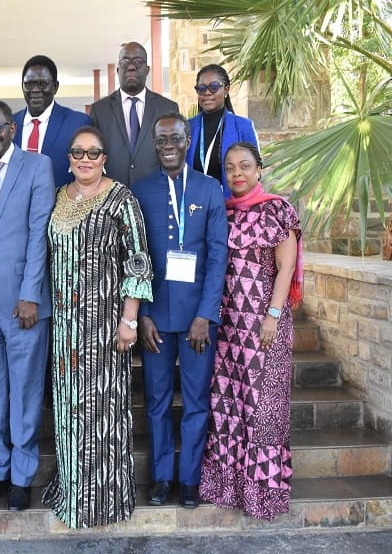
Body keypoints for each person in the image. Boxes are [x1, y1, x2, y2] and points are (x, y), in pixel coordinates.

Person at [42, 125, 153, 529]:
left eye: (93, 153)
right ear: (69, 158)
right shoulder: (59, 197)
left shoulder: (121, 198)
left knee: (102, 413)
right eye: (78, 153)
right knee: (69, 411)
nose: (85, 159)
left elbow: (138, 261)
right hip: (65, 330)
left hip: (105, 328)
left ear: (105, 158)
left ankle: (103, 501)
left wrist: (129, 319)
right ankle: (73, 493)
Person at [200, 141, 302, 520]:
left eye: (245, 166)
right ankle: (229, 486)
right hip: (228, 326)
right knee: (229, 405)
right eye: (230, 168)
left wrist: (273, 314)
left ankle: (263, 493)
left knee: (262, 409)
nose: (237, 174)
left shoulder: (277, 210)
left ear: (259, 169)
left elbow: (286, 267)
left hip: (264, 325)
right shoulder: (223, 212)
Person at [131, 112, 228, 510]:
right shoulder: (138, 191)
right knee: (155, 402)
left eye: (175, 138)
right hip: (156, 317)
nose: (168, 145)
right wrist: (143, 315)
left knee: (195, 401)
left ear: (188, 139)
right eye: (161, 140)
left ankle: (188, 479)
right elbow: (137, 257)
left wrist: (205, 314)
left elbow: (219, 255)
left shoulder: (209, 188)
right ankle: (161, 478)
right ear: (154, 145)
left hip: (197, 322)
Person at [0, 100, 55, 511]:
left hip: (23, 302)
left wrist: (30, 294)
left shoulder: (37, 167)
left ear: (12, 128)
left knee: (24, 390)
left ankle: (22, 475)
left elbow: (40, 234)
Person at [89, 41, 179, 186]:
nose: (131, 67)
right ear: (118, 70)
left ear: (147, 69)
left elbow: (176, 156)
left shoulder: (168, 108)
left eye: (138, 61)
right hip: (112, 195)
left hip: (157, 192)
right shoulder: (99, 110)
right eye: (125, 62)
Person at [13, 55, 90, 187]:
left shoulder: (77, 123)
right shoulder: (9, 125)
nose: (35, 90)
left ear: (55, 86)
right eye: (29, 84)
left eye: (42, 84)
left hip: (62, 205)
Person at [186, 64, 259, 197]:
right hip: (195, 208)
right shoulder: (187, 127)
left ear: (226, 90)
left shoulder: (243, 127)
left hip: (232, 208)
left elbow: (255, 174)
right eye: (201, 88)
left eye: (213, 87)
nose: (207, 92)